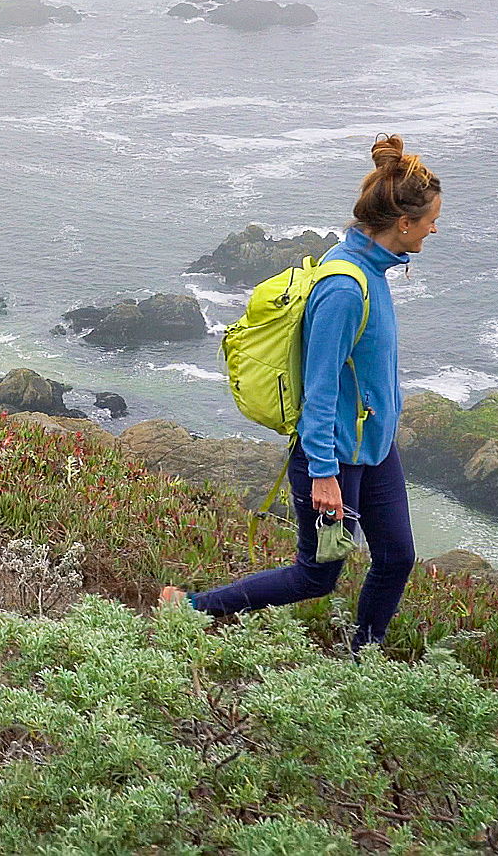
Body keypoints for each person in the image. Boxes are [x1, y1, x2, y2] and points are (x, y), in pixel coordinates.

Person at [161, 135, 441, 650]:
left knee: (397, 557)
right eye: (428, 220)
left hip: (373, 446)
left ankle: (366, 658)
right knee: (316, 576)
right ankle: (191, 608)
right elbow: (320, 387)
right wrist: (325, 474)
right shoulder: (344, 286)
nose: (433, 227)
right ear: (403, 224)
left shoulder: (368, 262)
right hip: (334, 455)